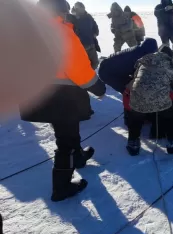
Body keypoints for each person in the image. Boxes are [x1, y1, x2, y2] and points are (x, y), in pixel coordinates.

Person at [20, 0, 106, 202]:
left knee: (66, 131)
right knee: (66, 140)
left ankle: (78, 157)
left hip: (40, 95)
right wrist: (99, 88)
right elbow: (79, 70)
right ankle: (62, 187)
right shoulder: (60, 33)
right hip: (62, 97)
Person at [126, 45, 173, 156]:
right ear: (169, 57)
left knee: (136, 117)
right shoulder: (170, 67)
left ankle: (133, 144)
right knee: (169, 114)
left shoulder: (144, 61)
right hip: (160, 102)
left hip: (137, 98)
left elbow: (135, 79)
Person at [98, 38, 158, 126]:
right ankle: (131, 117)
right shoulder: (139, 57)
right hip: (108, 73)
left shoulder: (140, 50)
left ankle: (139, 112)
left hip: (110, 67)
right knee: (130, 92)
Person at [71, 2, 100, 69]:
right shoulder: (72, 18)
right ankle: (86, 77)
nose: (83, 9)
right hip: (81, 46)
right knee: (83, 64)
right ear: (77, 9)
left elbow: (95, 26)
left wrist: (96, 33)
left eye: (83, 8)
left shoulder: (88, 16)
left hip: (91, 43)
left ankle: (91, 75)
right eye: (81, 8)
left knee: (95, 62)